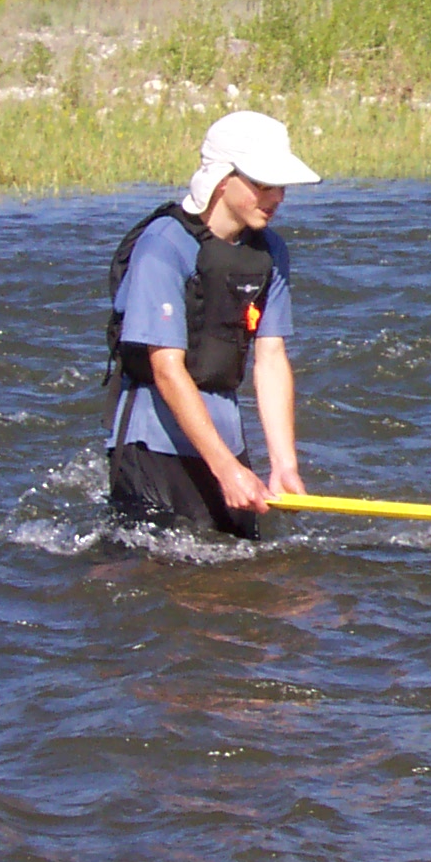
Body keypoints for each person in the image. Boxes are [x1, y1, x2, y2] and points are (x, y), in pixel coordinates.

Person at [104, 111, 320, 540]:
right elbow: (166, 368)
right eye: (263, 185)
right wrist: (224, 469)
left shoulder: (270, 251)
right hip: (153, 448)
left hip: (227, 444)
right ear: (223, 180)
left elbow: (271, 359)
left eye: (280, 186)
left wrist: (283, 465)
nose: (277, 197)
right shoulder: (163, 246)